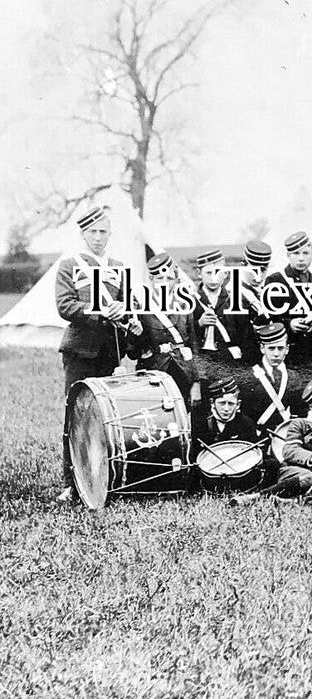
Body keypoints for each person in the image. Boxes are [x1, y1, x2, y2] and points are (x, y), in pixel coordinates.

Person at [54, 206, 140, 502]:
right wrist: (100, 311)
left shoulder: (118, 266)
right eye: (93, 232)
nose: (99, 237)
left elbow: (131, 305)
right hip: (80, 351)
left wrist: (125, 309)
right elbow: (65, 306)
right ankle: (71, 480)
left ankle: (105, 477)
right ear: (82, 234)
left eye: (104, 232)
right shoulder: (70, 265)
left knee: (107, 418)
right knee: (75, 415)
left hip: (110, 353)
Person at [234, 377, 312, 502]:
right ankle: (257, 497)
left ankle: (293, 502)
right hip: (296, 472)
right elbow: (290, 450)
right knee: (309, 478)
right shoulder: (300, 424)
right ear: (310, 407)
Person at [125, 253, 200, 404]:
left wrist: (196, 382)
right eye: (159, 278)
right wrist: (134, 335)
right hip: (154, 371)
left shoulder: (185, 306)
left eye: (169, 278)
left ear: (176, 280)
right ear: (151, 280)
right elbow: (133, 353)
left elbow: (194, 345)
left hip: (182, 371)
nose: (164, 283)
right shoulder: (141, 308)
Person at [264, 231, 312, 378]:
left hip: (311, 351)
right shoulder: (275, 281)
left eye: (306, 253)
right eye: (295, 253)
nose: (301, 258)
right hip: (284, 351)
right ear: (288, 255)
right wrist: (290, 324)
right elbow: (268, 317)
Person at [192, 248, 250, 403]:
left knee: (229, 402)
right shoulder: (191, 300)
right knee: (204, 404)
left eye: (218, 273)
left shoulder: (235, 300)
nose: (213, 278)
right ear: (199, 274)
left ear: (225, 274)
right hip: (204, 363)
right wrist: (199, 324)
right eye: (208, 273)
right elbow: (186, 335)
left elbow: (245, 335)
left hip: (228, 361)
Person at [240, 323, 300, 465]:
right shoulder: (249, 377)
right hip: (258, 439)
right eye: (271, 348)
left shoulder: (294, 377)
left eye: (280, 348)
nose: (276, 353)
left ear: (287, 349)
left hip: (284, 438)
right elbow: (244, 415)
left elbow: (300, 412)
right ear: (262, 348)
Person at [194, 377, 260, 449]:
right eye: (222, 403)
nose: (226, 409)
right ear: (212, 403)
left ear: (238, 404)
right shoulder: (202, 425)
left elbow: (253, 454)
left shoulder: (246, 424)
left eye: (231, 404)